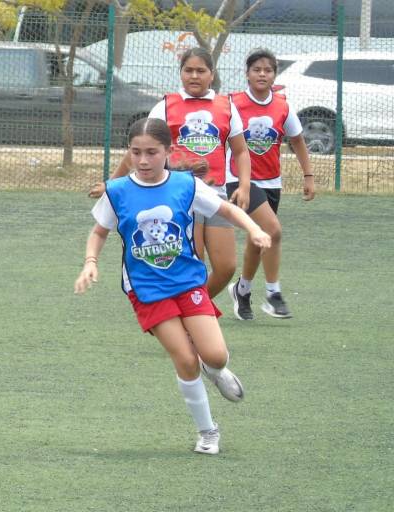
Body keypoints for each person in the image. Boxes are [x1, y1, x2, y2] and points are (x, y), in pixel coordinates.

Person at [75, 118, 271, 455]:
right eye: (136, 152)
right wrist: (90, 262)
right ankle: (208, 432)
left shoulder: (185, 186)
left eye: (152, 152)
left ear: (168, 151)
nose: (143, 161)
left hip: (187, 281)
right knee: (184, 359)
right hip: (146, 289)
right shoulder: (117, 190)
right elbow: (98, 232)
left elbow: (225, 209)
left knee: (215, 355)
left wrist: (253, 229)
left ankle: (214, 369)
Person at [89, 47, 253, 299]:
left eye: (201, 70)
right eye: (188, 70)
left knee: (226, 267)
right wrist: (111, 183)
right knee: (193, 262)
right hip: (179, 195)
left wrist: (244, 186)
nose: (194, 76)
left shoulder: (226, 107)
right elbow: (139, 150)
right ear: (180, 73)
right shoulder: (165, 106)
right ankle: (190, 314)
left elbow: (241, 151)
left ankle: (196, 306)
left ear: (212, 74)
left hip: (216, 194)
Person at [225, 48, 316, 320]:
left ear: (274, 75)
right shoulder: (232, 103)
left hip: (271, 182)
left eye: (268, 70)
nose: (262, 74)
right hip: (239, 180)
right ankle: (274, 294)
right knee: (273, 230)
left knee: (260, 239)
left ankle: (242, 290)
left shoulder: (282, 106)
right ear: (247, 74)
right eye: (257, 69)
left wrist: (308, 176)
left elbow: (297, 139)